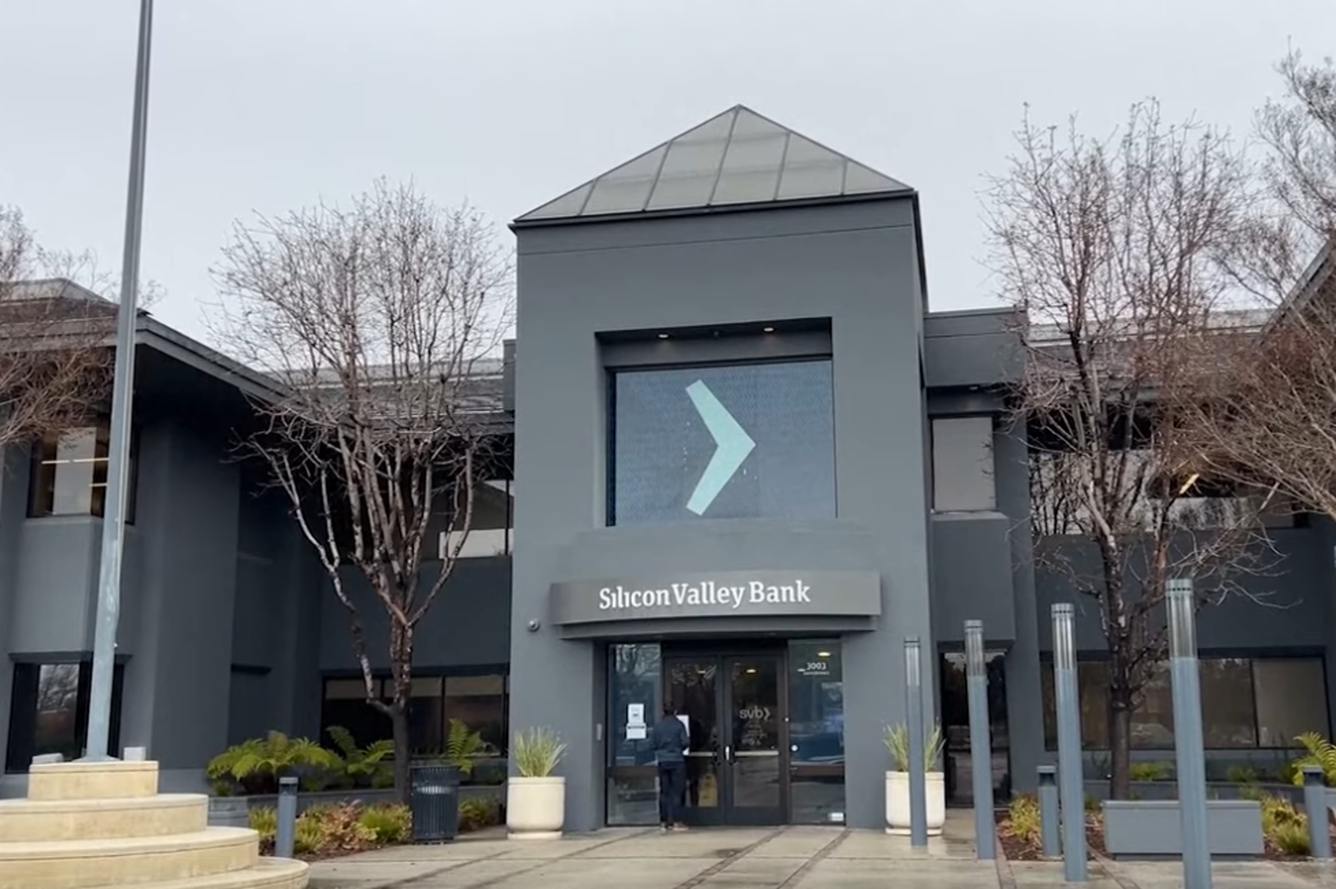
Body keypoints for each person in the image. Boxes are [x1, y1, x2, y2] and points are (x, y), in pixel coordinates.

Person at [650, 703, 690, 831]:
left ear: (663, 712)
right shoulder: (679, 725)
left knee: (664, 792)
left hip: (663, 761)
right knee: (677, 791)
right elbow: (685, 742)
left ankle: (664, 821)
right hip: (677, 760)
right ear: (675, 711)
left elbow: (653, 744)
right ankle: (677, 821)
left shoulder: (658, 726)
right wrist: (677, 749)